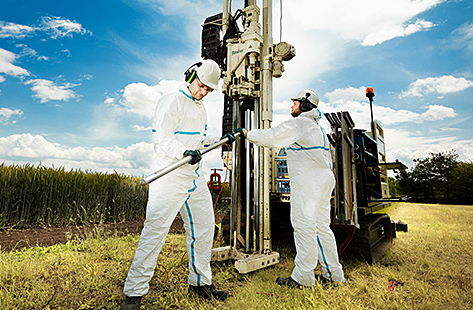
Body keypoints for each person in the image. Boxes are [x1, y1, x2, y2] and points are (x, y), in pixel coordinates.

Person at [120, 60, 232, 310]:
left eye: (208, 90)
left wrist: (222, 139)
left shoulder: (200, 107)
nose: (203, 92)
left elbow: (199, 141)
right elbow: (162, 138)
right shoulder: (172, 101)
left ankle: (201, 283)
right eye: (202, 86)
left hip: (193, 176)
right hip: (169, 176)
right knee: (155, 232)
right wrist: (184, 152)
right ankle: (134, 293)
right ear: (191, 76)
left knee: (204, 228)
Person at [236, 89, 346, 288]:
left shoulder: (301, 123)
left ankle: (303, 277)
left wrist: (246, 134)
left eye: (295, 102)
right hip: (323, 180)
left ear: (305, 104)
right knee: (322, 228)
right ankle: (333, 274)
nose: (292, 106)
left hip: (309, 182)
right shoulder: (316, 127)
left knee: (304, 227)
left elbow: (273, 136)